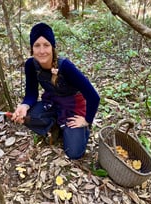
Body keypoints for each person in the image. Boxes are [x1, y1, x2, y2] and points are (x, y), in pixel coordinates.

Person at [12, 22, 100, 160]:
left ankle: (78, 130)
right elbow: (31, 93)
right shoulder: (31, 65)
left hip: (73, 106)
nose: (42, 51)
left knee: (74, 153)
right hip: (53, 102)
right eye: (37, 45)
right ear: (31, 48)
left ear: (52, 47)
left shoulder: (65, 66)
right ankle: (56, 124)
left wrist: (87, 120)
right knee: (26, 116)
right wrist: (24, 105)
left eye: (46, 45)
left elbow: (93, 96)